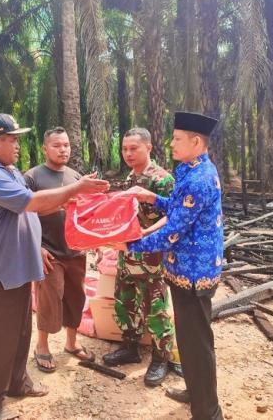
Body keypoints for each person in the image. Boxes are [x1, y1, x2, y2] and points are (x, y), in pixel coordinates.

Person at [0, 114, 109, 420]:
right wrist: (76, 189)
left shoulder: (6, 169)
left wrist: (68, 201)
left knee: (19, 334)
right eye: (13, 139)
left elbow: (39, 204)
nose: (18, 145)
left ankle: (17, 384)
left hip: (15, 270)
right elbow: (31, 203)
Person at [116, 112, 224, 420]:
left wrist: (129, 245)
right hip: (184, 268)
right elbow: (178, 208)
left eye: (177, 139)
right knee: (190, 339)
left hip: (194, 273)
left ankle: (207, 412)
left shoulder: (200, 179)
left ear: (195, 141)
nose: (171, 143)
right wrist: (152, 196)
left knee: (197, 342)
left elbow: (172, 231)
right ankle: (195, 391)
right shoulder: (190, 169)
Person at [102, 128, 182, 386]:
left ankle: (161, 358)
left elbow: (173, 217)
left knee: (155, 308)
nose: (127, 154)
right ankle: (130, 346)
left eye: (133, 148)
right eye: (124, 149)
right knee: (125, 302)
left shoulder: (163, 180)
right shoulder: (129, 179)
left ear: (148, 147)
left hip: (152, 258)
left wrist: (146, 233)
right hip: (127, 256)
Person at [24, 127, 95, 373]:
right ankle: (41, 346)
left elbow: (85, 213)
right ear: (45, 148)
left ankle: (71, 343)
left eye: (66, 145)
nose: (63, 149)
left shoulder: (77, 177)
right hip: (49, 251)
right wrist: (37, 247)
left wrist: (90, 239)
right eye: (57, 145)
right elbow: (24, 215)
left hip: (75, 250)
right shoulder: (32, 177)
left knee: (76, 296)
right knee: (48, 297)